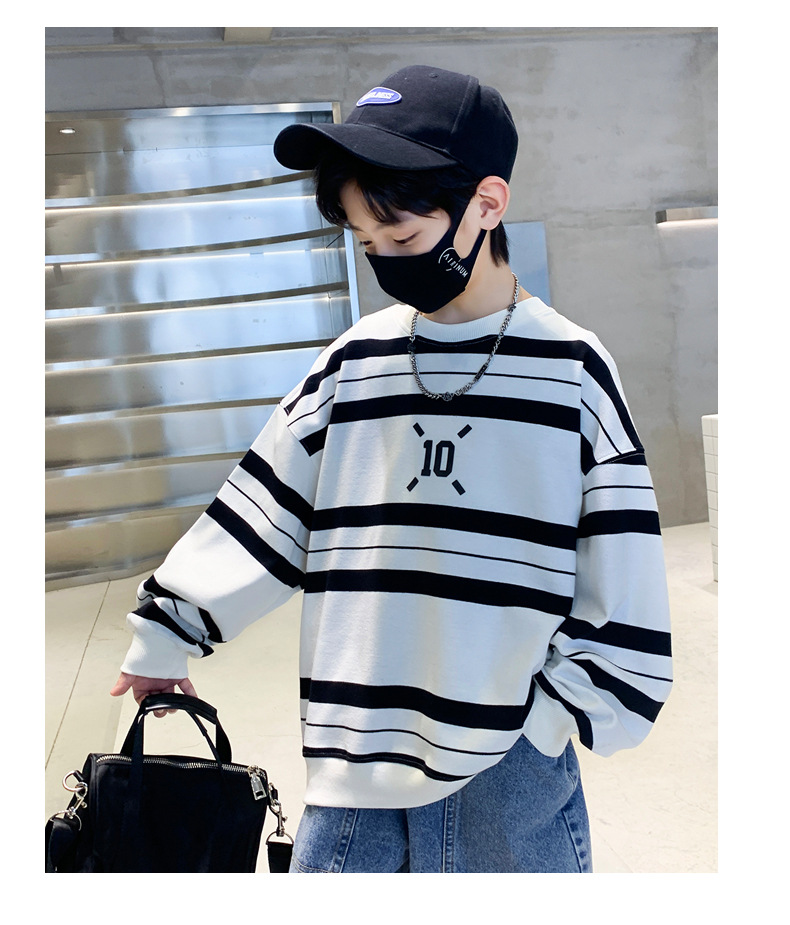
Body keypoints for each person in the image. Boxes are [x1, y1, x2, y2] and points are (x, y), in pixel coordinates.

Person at [111, 65, 672, 873]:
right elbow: (267, 506)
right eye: (365, 242)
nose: (384, 259)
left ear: (488, 203)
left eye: (402, 239)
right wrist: (167, 630)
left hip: (506, 765)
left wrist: (550, 719)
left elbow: (623, 569)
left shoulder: (572, 370)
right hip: (353, 762)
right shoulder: (354, 361)